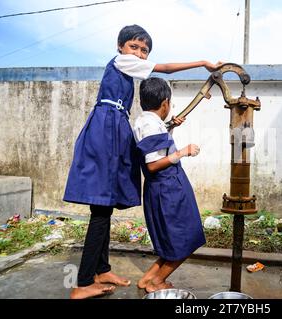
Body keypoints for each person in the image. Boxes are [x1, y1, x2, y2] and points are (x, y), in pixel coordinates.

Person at [63, 24, 221, 299]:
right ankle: (83, 282)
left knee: (106, 206)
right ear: (120, 48)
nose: (138, 53)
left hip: (114, 130)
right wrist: (203, 63)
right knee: (101, 207)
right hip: (106, 132)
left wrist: (169, 124)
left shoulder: (126, 84)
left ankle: (101, 270)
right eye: (134, 47)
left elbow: (151, 139)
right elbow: (167, 68)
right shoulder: (121, 62)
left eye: (144, 50)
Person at [133, 77, 205, 293]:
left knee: (172, 240)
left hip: (162, 188)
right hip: (168, 189)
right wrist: (183, 152)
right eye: (170, 104)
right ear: (165, 103)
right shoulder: (151, 125)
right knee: (186, 239)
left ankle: (147, 279)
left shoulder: (144, 121)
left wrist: (170, 127)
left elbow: (156, 147)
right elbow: (154, 164)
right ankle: (156, 283)